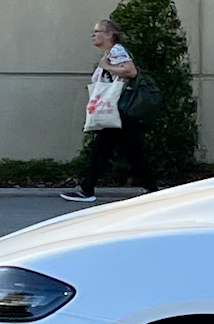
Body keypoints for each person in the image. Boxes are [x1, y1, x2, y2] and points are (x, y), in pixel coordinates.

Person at [63, 18, 157, 205]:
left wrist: (106, 67)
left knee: (102, 150)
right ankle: (152, 190)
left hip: (118, 111)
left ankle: (87, 189)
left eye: (97, 31)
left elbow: (131, 72)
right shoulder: (111, 52)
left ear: (109, 34)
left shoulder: (116, 51)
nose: (93, 35)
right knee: (131, 152)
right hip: (118, 113)